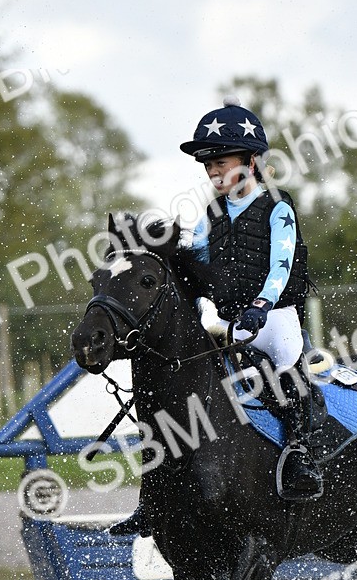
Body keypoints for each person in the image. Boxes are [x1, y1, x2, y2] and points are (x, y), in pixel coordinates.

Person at [111, 97, 323, 537]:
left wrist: (260, 307)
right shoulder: (212, 215)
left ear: (250, 161)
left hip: (274, 319)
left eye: (220, 162)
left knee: (287, 369)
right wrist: (160, 248)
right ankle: (153, 498)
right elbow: (199, 260)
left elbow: (281, 267)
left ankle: (301, 456)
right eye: (208, 165)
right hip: (227, 321)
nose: (212, 172)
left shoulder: (278, 208)